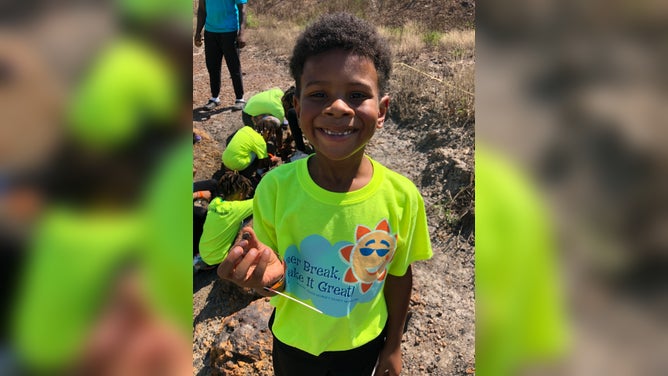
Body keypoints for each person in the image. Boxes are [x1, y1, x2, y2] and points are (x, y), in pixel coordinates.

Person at [217, 13, 433, 376]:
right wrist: (259, 278)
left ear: (381, 111)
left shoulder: (402, 197)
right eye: (319, 94)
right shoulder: (275, 188)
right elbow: (277, 278)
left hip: (363, 344)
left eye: (356, 94)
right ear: (297, 109)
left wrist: (393, 346)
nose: (337, 107)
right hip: (293, 344)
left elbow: (398, 274)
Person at [194, 0, 247, 111]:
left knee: (234, 66)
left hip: (230, 31)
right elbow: (202, 9)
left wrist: (241, 34)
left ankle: (240, 98)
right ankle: (214, 98)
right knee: (212, 66)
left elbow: (242, 10)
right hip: (210, 32)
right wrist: (198, 31)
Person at [196, 170, 254, 270]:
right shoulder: (237, 208)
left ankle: (200, 263)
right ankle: (213, 265)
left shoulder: (215, 202)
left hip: (203, 251)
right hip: (217, 259)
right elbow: (259, 200)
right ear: (241, 195)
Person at [222, 116, 281, 181]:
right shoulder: (260, 142)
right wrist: (273, 160)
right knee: (258, 153)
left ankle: (228, 167)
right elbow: (264, 162)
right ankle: (259, 173)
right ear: (267, 132)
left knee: (249, 147)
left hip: (225, 159)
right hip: (238, 164)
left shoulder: (245, 128)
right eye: (271, 133)